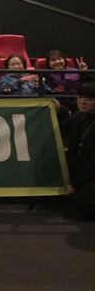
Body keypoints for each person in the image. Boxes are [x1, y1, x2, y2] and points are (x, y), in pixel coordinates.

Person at [61, 82, 95, 216]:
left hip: (91, 168)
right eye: (80, 97)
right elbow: (60, 131)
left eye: (89, 99)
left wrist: (74, 184)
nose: (82, 101)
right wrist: (58, 111)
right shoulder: (79, 115)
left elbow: (93, 162)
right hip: (82, 162)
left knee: (84, 202)